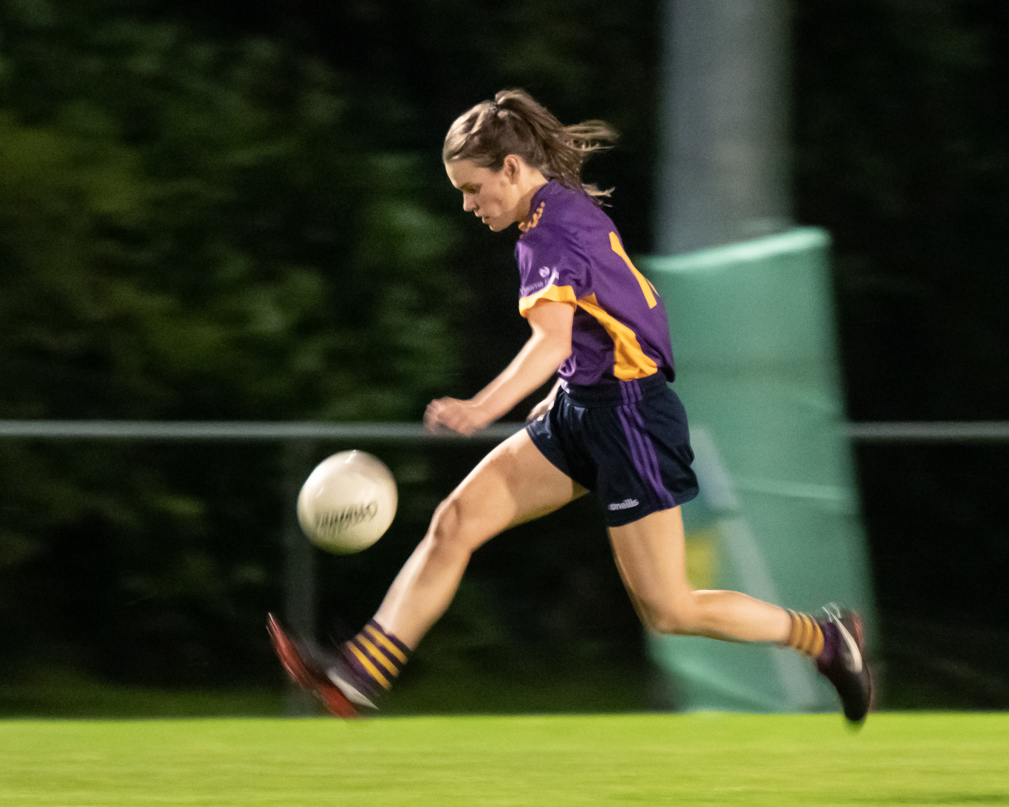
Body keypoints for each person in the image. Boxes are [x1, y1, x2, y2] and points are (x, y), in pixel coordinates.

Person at [268, 89, 872, 725]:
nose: (469, 205)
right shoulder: (553, 215)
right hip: (584, 407)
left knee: (670, 610)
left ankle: (827, 640)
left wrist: (483, 406)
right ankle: (361, 672)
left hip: (631, 419)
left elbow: (551, 338)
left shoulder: (551, 231)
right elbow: (609, 315)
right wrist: (566, 385)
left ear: (510, 168)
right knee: (457, 520)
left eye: (473, 189)